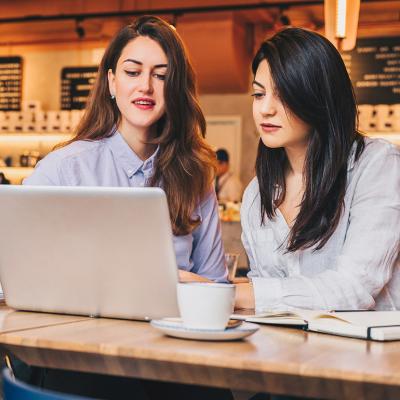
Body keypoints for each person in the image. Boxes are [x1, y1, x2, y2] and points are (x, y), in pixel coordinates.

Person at [24, 16, 227, 284]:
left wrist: (182, 283)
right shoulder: (65, 169)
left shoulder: (195, 175)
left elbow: (216, 286)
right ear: (111, 81)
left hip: (171, 325)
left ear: (175, 88)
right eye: (132, 72)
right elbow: (19, 266)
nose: (146, 86)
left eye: (161, 75)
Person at [236, 27, 400, 312]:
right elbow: (267, 307)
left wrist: (238, 295)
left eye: (283, 95)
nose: (265, 110)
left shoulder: (375, 165)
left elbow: (355, 288)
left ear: (317, 98)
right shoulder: (256, 195)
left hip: (370, 353)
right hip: (287, 353)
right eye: (259, 95)